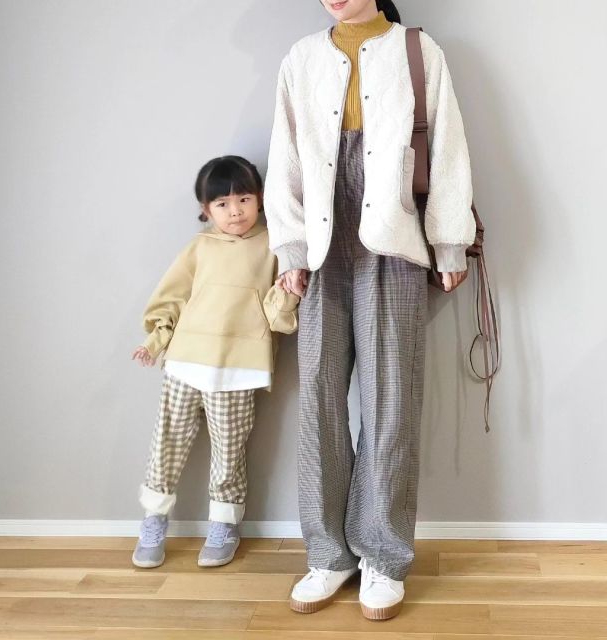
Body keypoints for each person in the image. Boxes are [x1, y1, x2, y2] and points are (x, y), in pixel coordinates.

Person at [264, 0, 476, 620]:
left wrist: (449, 241)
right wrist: (290, 248)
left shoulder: (418, 50)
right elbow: (286, 155)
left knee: (391, 400)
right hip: (321, 237)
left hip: (395, 235)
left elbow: (447, 146)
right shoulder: (302, 57)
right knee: (319, 401)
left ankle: (382, 555)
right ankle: (327, 554)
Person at [131, 156, 299, 569]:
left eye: (244, 199)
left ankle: (224, 525)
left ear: (260, 199)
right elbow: (172, 298)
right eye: (222, 204)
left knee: (229, 449)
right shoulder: (199, 247)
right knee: (167, 443)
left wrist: (289, 291)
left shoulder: (276, 246)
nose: (235, 211)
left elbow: (278, 317)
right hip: (186, 362)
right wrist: (155, 341)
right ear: (206, 210)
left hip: (240, 369)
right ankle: (154, 519)